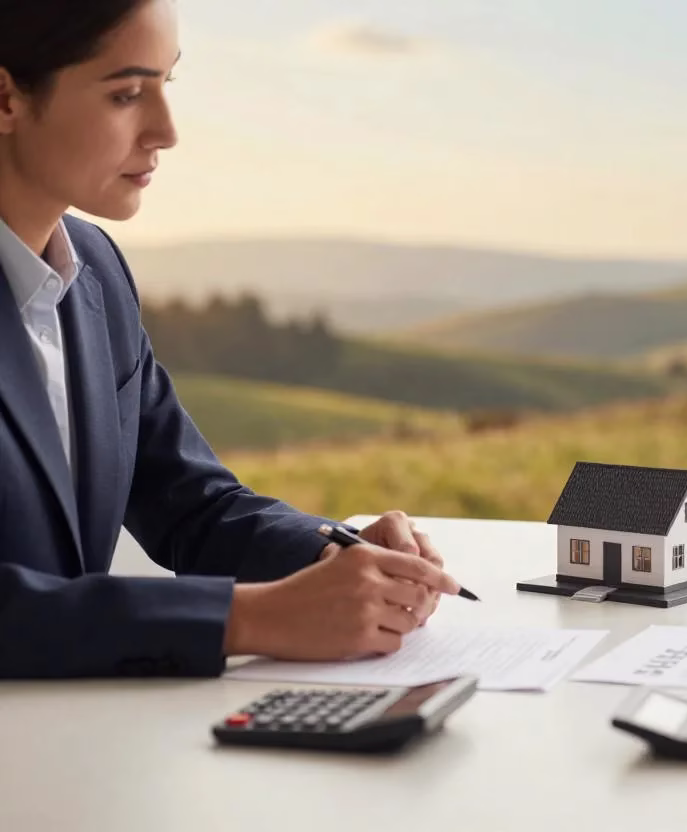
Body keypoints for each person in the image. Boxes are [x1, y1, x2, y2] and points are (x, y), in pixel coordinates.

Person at [0, 0, 464, 679]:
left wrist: (334, 555)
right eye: (126, 94)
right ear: (7, 98)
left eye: (166, 83)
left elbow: (190, 502)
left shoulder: (94, 269)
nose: (166, 131)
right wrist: (247, 618)